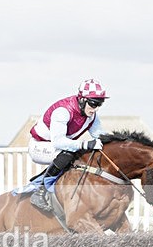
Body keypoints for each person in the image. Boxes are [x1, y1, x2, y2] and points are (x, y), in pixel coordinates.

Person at [28, 79, 109, 211]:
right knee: (68, 154)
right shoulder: (63, 111)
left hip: (56, 147)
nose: (96, 109)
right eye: (93, 104)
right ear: (82, 100)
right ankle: (39, 192)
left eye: (100, 104)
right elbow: (58, 142)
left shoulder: (91, 115)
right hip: (39, 146)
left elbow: (101, 137)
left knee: (82, 155)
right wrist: (85, 144)